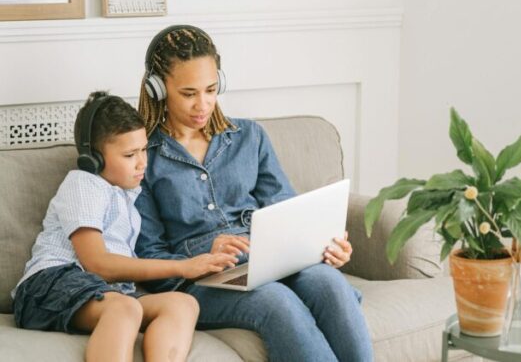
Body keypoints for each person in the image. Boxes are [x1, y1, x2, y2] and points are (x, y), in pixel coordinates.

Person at [135, 25, 374, 362]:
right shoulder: (143, 157)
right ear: (159, 89)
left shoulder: (249, 136)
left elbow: (288, 212)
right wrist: (205, 253)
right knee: (276, 301)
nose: (202, 104)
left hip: (268, 261)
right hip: (200, 282)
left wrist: (325, 245)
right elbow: (148, 256)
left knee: (329, 283)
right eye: (188, 93)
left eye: (211, 89)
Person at [12, 91, 237, 362]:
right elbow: (98, 263)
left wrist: (199, 261)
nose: (143, 162)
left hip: (110, 292)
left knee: (183, 303)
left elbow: (133, 268)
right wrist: (183, 267)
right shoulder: (84, 184)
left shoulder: (129, 197)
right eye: (130, 154)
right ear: (93, 158)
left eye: (143, 150)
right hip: (51, 284)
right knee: (124, 308)